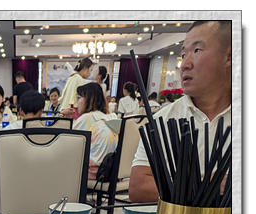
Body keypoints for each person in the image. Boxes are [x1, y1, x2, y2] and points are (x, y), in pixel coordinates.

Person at [129, 19, 232, 203]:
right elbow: (139, 188)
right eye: (183, 55)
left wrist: (179, 188)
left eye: (197, 50)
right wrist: (209, 186)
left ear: (229, 56)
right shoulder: (164, 120)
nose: (184, 64)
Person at [73, 83, 118, 180]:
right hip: (112, 170)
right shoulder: (110, 117)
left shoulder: (86, 119)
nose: (77, 103)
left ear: (88, 99)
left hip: (94, 172)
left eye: (79, 98)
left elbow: (71, 148)